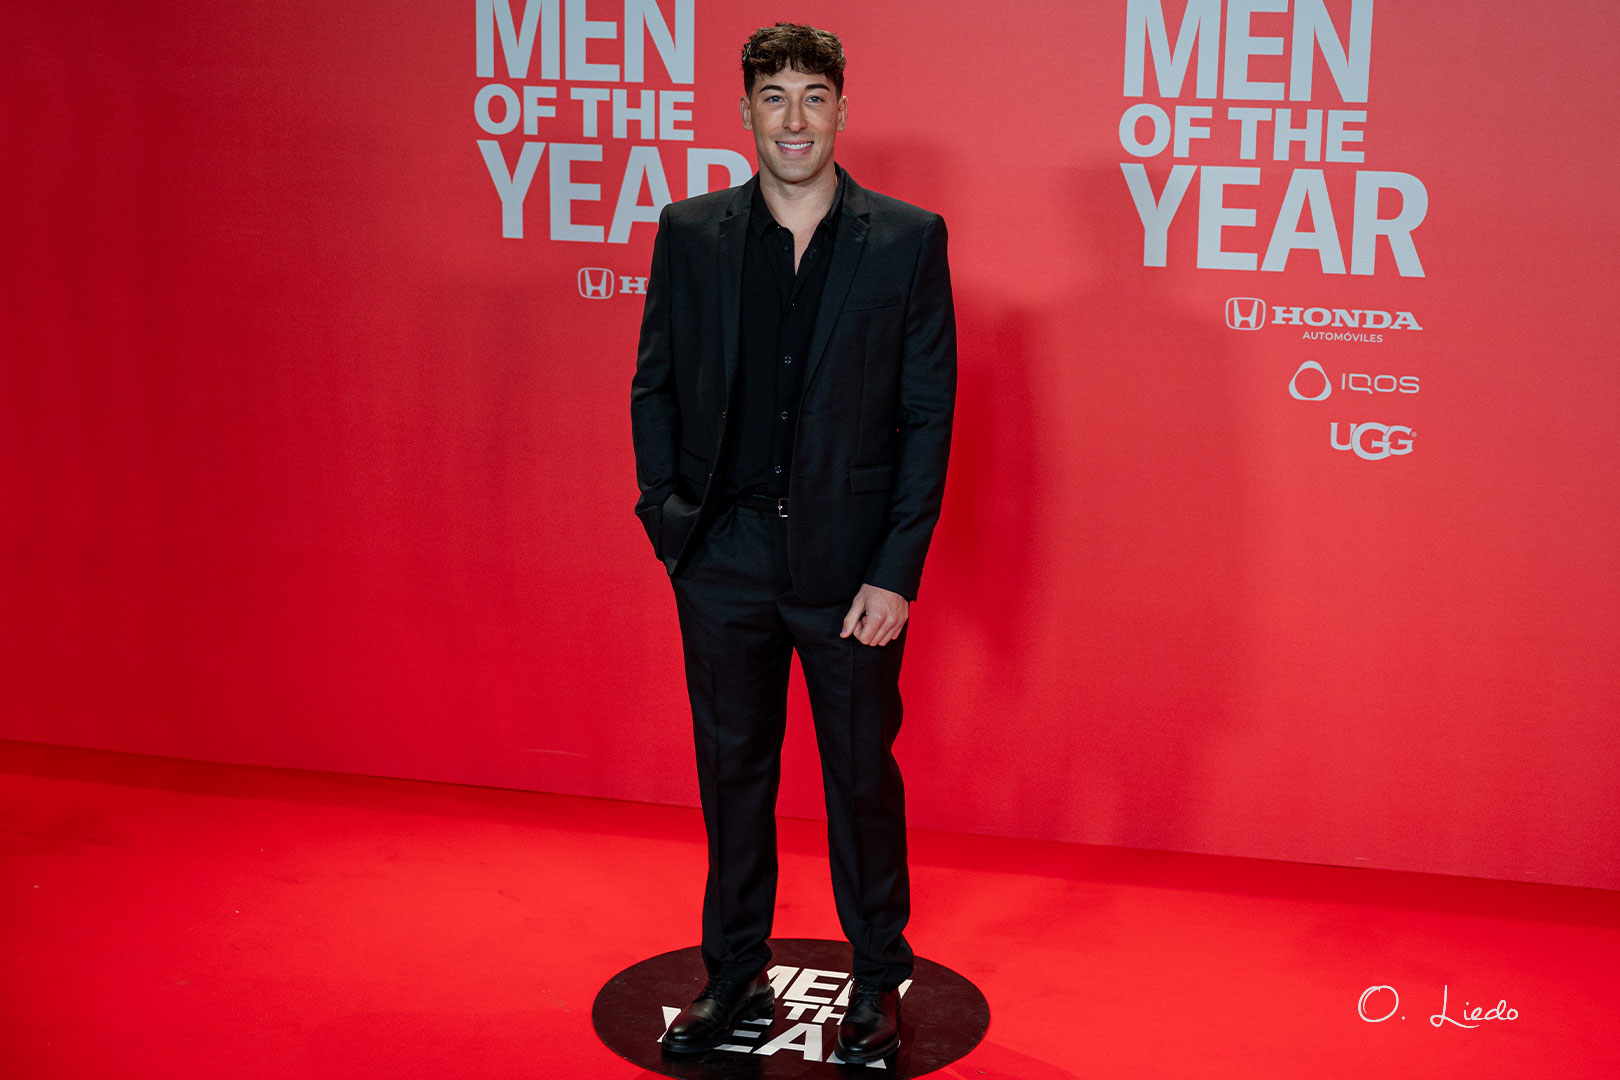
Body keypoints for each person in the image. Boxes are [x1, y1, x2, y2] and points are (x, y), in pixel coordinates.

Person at [629, 21, 956, 1064]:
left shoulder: (907, 239)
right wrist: (671, 525)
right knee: (734, 773)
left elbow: (927, 417)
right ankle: (734, 973)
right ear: (745, 113)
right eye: (774, 97)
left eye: (814, 96)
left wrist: (895, 574)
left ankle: (877, 976)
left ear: (842, 110)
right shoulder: (691, 231)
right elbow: (654, 384)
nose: (795, 118)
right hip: (721, 559)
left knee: (859, 777)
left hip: (849, 573)